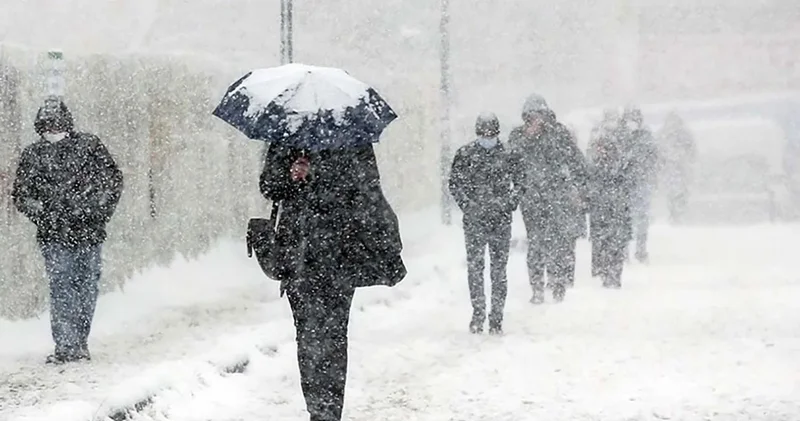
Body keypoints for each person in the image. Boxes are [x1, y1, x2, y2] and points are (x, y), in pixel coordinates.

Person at [260, 141, 406, 421]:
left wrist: (322, 177)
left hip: (339, 256)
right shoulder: (286, 138)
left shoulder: (352, 140)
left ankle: (328, 411)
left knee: (334, 336)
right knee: (307, 336)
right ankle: (317, 410)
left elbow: (367, 189)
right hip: (298, 257)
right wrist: (290, 177)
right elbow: (268, 186)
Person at [12, 96, 123, 364]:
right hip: (54, 235)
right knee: (62, 286)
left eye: (56, 123)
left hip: (89, 232)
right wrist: (46, 214)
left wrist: (94, 211)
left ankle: (79, 342)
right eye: (46, 124)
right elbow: (22, 195)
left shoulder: (90, 146)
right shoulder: (33, 155)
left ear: (67, 123)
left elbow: (112, 182)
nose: (52, 129)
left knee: (85, 288)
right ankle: (65, 345)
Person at [509, 94, 589, 304]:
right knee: (535, 243)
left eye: (538, 115)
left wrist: (580, 189)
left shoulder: (558, 134)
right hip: (531, 199)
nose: (535, 120)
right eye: (530, 116)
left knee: (557, 242)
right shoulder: (518, 136)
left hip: (557, 197)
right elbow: (510, 163)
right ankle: (536, 286)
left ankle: (557, 281)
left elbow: (577, 162)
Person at [449, 113, 518, 335]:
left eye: (491, 134)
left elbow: (521, 182)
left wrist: (508, 203)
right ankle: (478, 313)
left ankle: (496, 317)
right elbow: (455, 184)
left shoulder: (508, 155)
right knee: (476, 268)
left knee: (498, 270)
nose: (487, 138)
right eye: (483, 134)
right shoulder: (466, 154)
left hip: (500, 221)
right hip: (475, 221)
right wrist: (468, 205)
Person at [588, 115, 634, 288]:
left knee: (616, 245)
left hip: (616, 212)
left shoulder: (619, 167)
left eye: (604, 148)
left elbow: (627, 185)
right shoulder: (594, 167)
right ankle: (606, 274)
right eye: (599, 148)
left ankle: (614, 275)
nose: (601, 152)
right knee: (604, 245)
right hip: (602, 214)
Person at [620, 106, 658, 262]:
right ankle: (625, 251)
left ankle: (640, 249)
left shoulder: (645, 138)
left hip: (641, 182)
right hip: (626, 183)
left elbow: (654, 158)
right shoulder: (621, 137)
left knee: (641, 218)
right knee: (625, 218)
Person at [658, 112, 696, 223]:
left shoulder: (684, 135)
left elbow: (692, 150)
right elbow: (657, 152)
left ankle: (679, 213)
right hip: (670, 169)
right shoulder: (663, 135)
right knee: (672, 192)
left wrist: (687, 160)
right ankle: (674, 213)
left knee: (681, 191)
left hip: (680, 168)